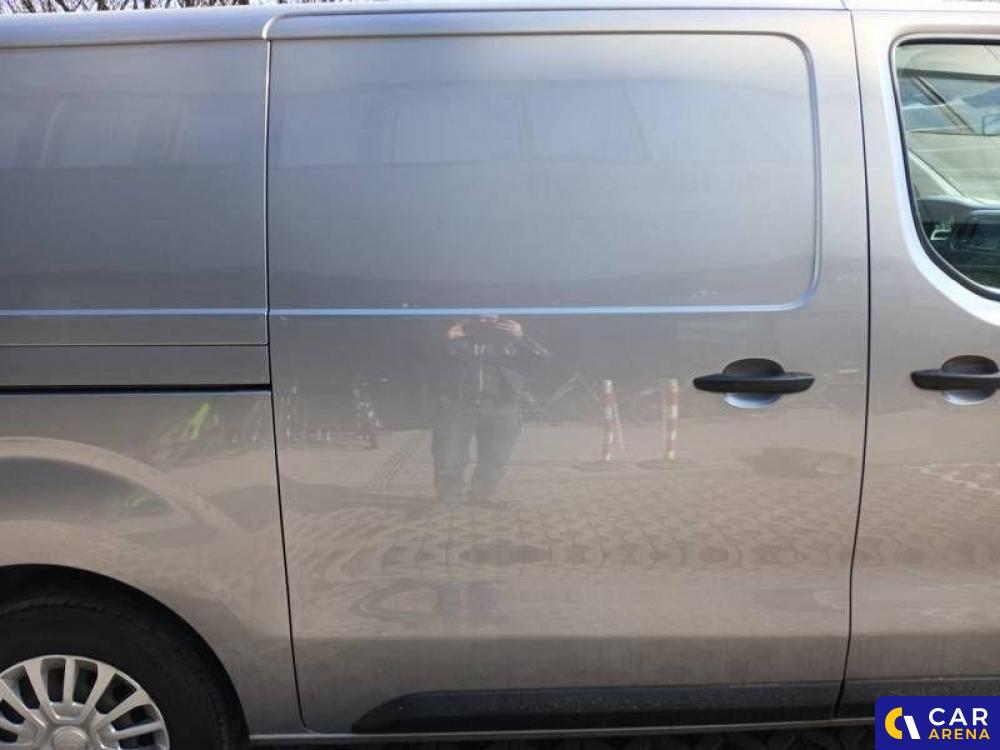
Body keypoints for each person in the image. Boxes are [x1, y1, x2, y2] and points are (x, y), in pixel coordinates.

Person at [431, 315, 548, 504]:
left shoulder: (512, 341)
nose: (485, 324)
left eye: (491, 320)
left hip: (502, 405)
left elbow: (542, 360)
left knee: (496, 457)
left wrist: (521, 337)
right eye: (480, 319)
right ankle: (449, 497)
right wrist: (448, 339)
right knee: (448, 456)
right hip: (459, 404)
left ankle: (483, 495)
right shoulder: (457, 339)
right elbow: (425, 360)